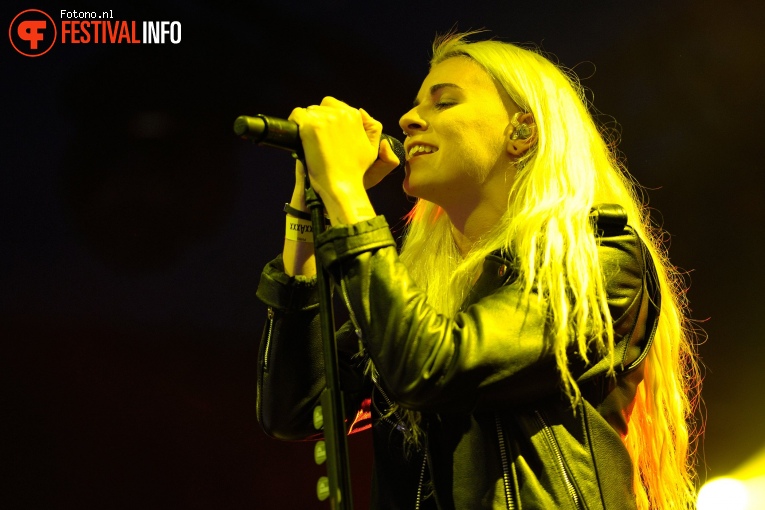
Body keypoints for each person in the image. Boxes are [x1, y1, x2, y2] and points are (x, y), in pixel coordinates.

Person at [256, 31, 701, 509]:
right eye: (414, 105)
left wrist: (347, 194)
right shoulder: (416, 285)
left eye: (444, 102)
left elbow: (435, 367)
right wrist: (312, 208)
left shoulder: (599, 256)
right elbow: (298, 410)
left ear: (522, 132)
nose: (407, 119)